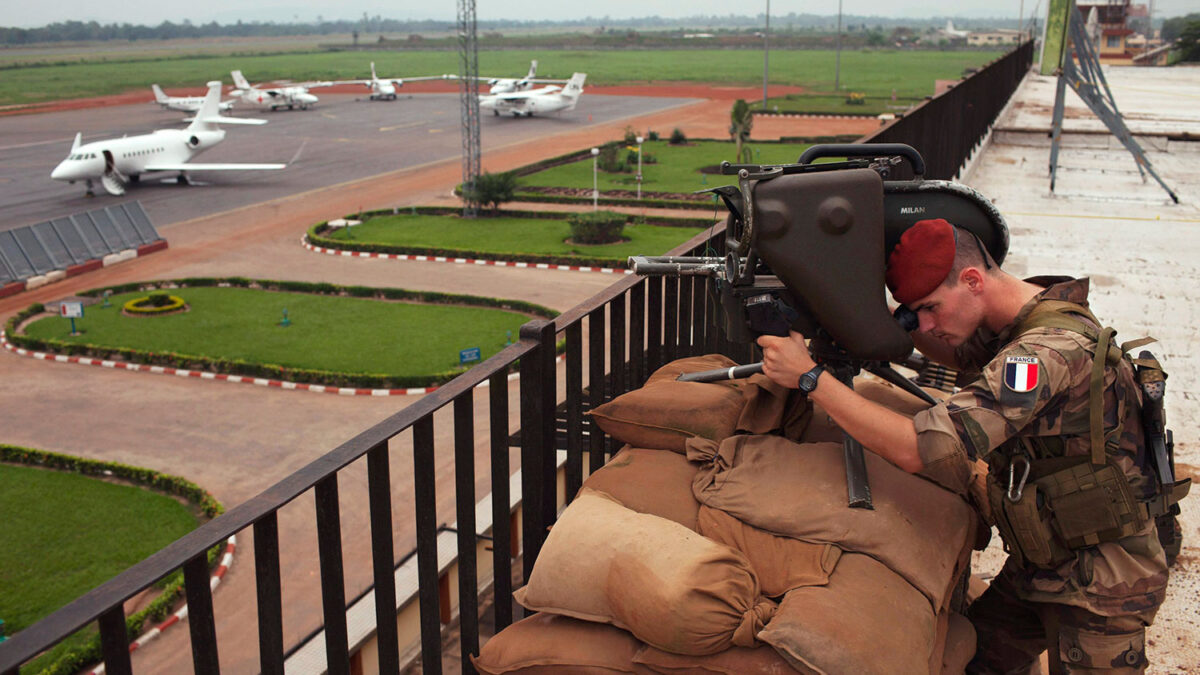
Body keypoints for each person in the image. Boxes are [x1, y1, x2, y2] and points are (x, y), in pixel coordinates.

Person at [757, 218, 1170, 674]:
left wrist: (810, 379)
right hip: (1045, 563)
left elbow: (923, 447)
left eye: (931, 308)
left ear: (973, 280)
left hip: (1101, 584)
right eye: (917, 315)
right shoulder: (1026, 317)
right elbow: (960, 354)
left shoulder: (1044, 353)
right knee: (968, 664)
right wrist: (865, 323)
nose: (928, 326)